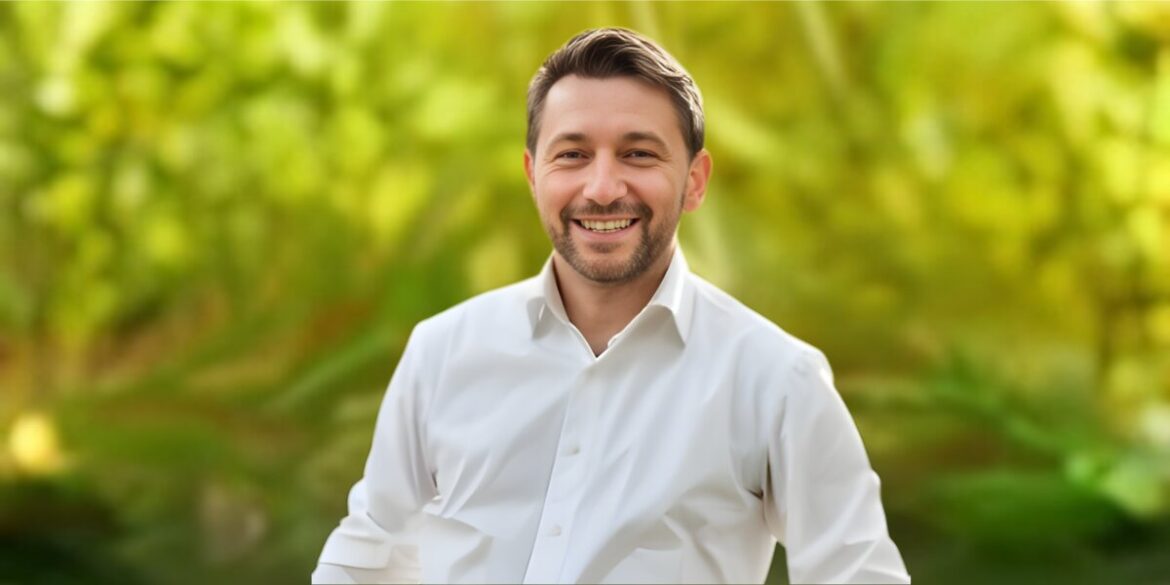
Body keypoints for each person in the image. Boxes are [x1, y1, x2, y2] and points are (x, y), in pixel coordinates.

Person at [313, 27, 909, 584]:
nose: (601, 189)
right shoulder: (442, 351)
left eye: (639, 154)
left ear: (695, 180)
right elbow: (369, 553)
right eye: (572, 154)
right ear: (532, 174)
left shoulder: (777, 380)